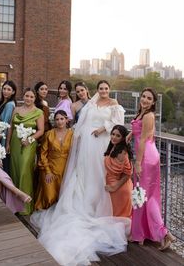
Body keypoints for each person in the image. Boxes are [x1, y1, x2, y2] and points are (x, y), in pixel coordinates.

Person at [31, 80, 130, 266]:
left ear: (109, 90)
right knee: (85, 173)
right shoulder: (91, 103)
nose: (103, 91)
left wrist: (103, 128)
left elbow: (118, 125)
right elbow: (82, 121)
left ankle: (97, 206)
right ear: (97, 90)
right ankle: (84, 203)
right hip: (87, 142)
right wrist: (73, 136)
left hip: (102, 141)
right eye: (100, 88)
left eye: (106, 88)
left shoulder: (115, 105)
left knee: (100, 173)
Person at [127, 87, 176, 250]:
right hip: (149, 156)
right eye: (143, 96)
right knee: (143, 196)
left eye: (149, 98)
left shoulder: (148, 115)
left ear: (154, 102)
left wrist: (138, 162)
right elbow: (137, 132)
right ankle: (140, 233)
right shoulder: (141, 113)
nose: (145, 100)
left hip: (146, 158)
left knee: (143, 196)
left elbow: (142, 140)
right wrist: (129, 134)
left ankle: (164, 233)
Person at [6, 88, 44, 215]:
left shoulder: (38, 112)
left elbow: (41, 130)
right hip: (15, 144)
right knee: (15, 171)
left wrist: (30, 139)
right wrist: (7, 144)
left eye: (31, 97)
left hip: (29, 145)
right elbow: (11, 127)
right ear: (23, 96)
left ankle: (25, 206)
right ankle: (14, 204)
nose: (29, 99)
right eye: (27, 96)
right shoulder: (16, 109)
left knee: (24, 172)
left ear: (35, 98)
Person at [35, 110, 73, 210]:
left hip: (66, 170)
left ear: (67, 120)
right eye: (57, 119)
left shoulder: (72, 134)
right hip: (50, 168)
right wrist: (47, 171)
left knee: (63, 196)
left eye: (62, 119)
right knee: (49, 197)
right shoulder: (49, 134)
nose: (59, 122)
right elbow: (43, 154)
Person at [104, 125, 133, 218]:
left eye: (118, 136)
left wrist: (114, 187)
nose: (114, 137)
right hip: (112, 185)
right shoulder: (114, 147)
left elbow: (128, 173)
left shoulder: (122, 153)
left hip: (119, 189)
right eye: (113, 134)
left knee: (119, 219)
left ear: (123, 138)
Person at [0, 80, 17, 174]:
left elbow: (5, 124)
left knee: (3, 165)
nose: (5, 91)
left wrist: (5, 144)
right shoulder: (2, 102)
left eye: (9, 89)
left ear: (13, 92)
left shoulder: (10, 105)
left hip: (2, 138)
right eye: (4, 89)